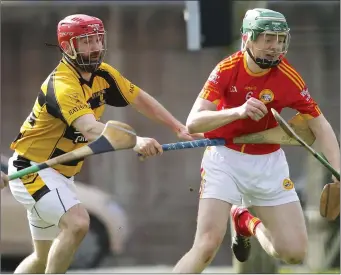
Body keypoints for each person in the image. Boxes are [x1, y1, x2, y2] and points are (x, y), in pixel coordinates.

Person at [7, 14, 194, 274]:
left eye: (97, 39)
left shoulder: (103, 74)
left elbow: (139, 99)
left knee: (42, 258)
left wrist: (177, 126)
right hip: (34, 170)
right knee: (78, 224)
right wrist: (135, 141)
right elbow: (90, 129)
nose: (95, 46)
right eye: (86, 41)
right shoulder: (62, 84)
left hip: (60, 175)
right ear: (67, 46)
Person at [172, 8, 340, 273]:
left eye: (280, 39)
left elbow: (320, 125)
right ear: (248, 38)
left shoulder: (288, 77)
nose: (276, 47)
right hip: (224, 160)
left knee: (294, 253)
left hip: (268, 164)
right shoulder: (227, 69)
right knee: (206, 246)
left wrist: (337, 170)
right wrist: (238, 111)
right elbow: (194, 121)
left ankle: (245, 220)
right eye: (268, 39)